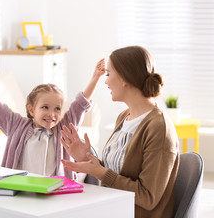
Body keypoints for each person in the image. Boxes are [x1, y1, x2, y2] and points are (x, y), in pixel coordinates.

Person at [60, 46, 179, 217]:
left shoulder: (159, 128)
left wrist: (100, 172)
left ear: (124, 78)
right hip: (111, 208)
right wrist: (86, 157)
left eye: (108, 74)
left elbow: (148, 197)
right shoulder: (125, 116)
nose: (106, 81)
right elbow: (114, 174)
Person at [0, 59, 105, 178]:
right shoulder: (16, 125)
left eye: (57, 109)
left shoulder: (64, 128)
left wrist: (96, 77)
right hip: (22, 187)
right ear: (31, 110)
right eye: (45, 107)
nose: (51, 114)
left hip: (54, 188)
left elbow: (80, 105)